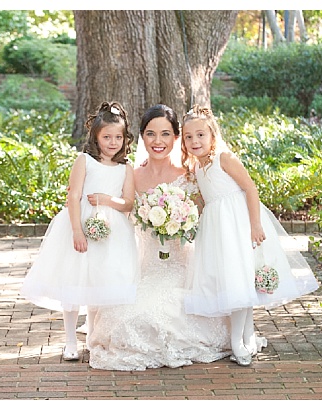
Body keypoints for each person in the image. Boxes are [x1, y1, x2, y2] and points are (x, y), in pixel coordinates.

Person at [85, 105, 229, 370]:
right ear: (142, 137)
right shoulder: (131, 174)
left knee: (160, 312)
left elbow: (210, 214)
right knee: (124, 318)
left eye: (165, 134)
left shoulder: (191, 175)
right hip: (144, 265)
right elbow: (117, 212)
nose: (158, 141)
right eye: (151, 134)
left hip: (181, 267)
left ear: (176, 138)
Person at [180, 105, 320, 366]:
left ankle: (239, 342)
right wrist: (188, 219)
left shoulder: (224, 157)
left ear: (211, 134)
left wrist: (255, 224)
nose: (194, 141)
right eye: (188, 137)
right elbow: (205, 201)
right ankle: (245, 336)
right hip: (216, 228)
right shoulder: (197, 167)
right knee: (234, 282)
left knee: (240, 282)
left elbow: (250, 188)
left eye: (200, 135)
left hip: (238, 224)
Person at [20, 101, 139, 361]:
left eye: (118, 137)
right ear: (96, 137)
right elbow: (73, 196)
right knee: (74, 282)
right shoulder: (84, 161)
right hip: (81, 223)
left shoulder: (125, 169)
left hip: (113, 233)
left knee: (100, 283)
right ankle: (70, 341)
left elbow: (128, 203)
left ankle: (93, 337)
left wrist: (107, 200)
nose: (113, 142)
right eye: (107, 137)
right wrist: (76, 230)